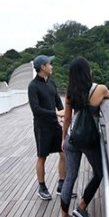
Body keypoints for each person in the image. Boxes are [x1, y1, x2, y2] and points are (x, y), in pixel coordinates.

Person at [58, 56, 109, 217]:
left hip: (72, 139)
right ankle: (82, 207)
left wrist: (63, 138)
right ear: (87, 71)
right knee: (99, 172)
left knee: (70, 177)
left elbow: (67, 118)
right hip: (89, 140)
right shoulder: (100, 89)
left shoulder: (70, 92)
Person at [27, 54, 72, 201]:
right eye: (49, 64)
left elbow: (59, 103)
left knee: (63, 152)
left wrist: (65, 114)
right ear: (42, 67)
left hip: (54, 125)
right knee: (42, 157)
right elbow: (36, 110)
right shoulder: (33, 86)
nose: (52, 66)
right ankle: (42, 187)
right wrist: (55, 113)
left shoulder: (51, 84)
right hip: (42, 127)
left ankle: (62, 184)